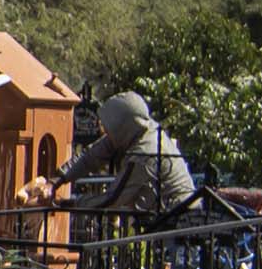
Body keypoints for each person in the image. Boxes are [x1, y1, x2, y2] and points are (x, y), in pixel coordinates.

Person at [21, 90, 200, 227]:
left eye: (109, 129)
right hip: (162, 218)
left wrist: (65, 203)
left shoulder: (145, 153)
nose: (106, 133)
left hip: (178, 223)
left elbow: (113, 200)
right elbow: (92, 155)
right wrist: (56, 181)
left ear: (123, 127)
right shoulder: (135, 130)